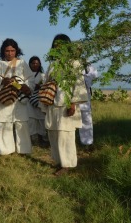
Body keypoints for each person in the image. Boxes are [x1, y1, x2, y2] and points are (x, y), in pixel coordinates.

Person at [43, 34, 88, 176]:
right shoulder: (52, 64)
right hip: (53, 105)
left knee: (65, 135)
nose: (59, 47)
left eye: (62, 45)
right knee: (53, 134)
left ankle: (67, 165)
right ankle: (59, 161)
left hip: (66, 104)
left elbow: (79, 84)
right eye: (56, 45)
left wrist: (73, 103)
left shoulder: (74, 63)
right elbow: (47, 83)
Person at [0, 38, 33, 156]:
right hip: (4, 97)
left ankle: (24, 150)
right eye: (7, 51)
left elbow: (30, 79)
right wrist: (3, 82)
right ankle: (6, 151)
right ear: (3, 51)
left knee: (21, 124)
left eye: (12, 50)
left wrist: (21, 85)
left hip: (19, 98)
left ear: (16, 51)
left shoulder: (22, 63)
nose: (10, 53)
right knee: (4, 124)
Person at [27, 56, 48, 147]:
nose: (35, 65)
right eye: (33, 63)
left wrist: (40, 87)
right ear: (30, 64)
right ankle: (32, 140)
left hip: (40, 100)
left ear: (39, 64)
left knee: (41, 120)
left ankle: (42, 139)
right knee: (31, 120)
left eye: (37, 63)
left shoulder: (43, 75)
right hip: (29, 101)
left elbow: (47, 87)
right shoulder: (27, 75)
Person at [79, 64, 98, 149]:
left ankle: (87, 143)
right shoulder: (69, 62)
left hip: (85, 97)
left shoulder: (87, 64)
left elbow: (95, 75)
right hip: (72, 97)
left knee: (86, 120)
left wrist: (85, 75)